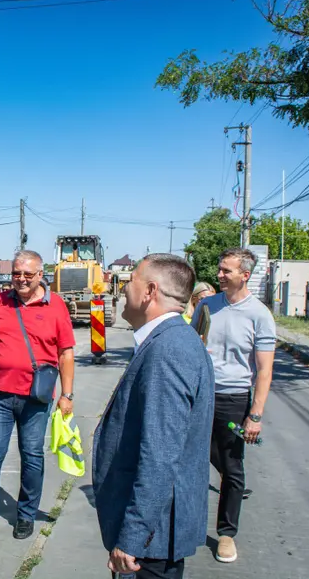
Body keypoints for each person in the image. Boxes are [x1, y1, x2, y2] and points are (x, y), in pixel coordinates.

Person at [93, 254, 214, 579]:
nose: (119, 289)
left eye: (129, 281)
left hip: (151, 541)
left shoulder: (168, 351)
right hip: (153, 535)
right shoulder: (171, 340)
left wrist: (133, 537)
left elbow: (160, 456)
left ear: (149, 290)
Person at [0, 250, 75, 550]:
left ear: (41, 274)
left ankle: (26, 515)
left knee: (32, 457)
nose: (21, 279)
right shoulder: (0, 301)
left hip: (36, 399)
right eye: (16, 273)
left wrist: (67, 394)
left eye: (28, 274)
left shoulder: (56, 307)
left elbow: (66, 353)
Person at [190, 247, 276, 564]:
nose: (220, 275)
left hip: (235, 399)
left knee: (231, 467)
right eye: (220, 269)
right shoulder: (207, 306)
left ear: (245, 275)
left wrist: (255, 415)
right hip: (201, 396)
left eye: (227, 270)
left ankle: (226, 535)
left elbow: (265, 370)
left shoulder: (259, 315)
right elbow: (191, 344)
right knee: (193, 458)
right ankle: (187, 521)